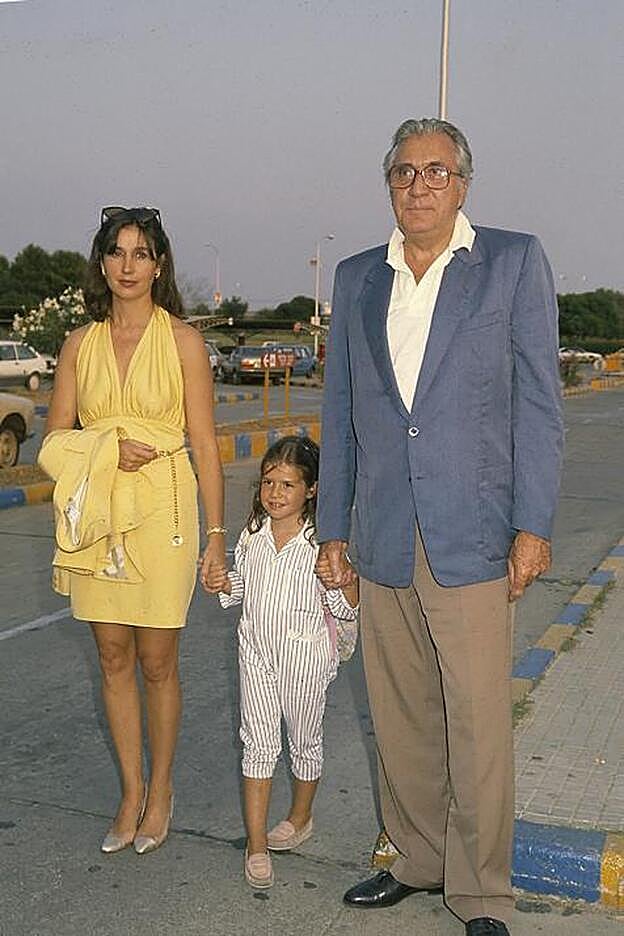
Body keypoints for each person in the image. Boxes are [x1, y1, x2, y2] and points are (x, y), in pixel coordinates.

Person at [315, 119, 564, 936]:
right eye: (404, 171)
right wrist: (333, 529)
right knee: (402, 712)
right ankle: (416, 861)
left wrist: (531, 526)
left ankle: (482, 891)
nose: (419, 184)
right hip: (384, 529)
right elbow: (345, 411)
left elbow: (538, 404)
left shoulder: (512, 261)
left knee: (478, 721)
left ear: (463, 185)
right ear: (388, 182)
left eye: (436, 171)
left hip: (475, 531)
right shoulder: (356, 277)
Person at [38, 206, 226, 855]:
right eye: (116, 252)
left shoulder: (183, 343)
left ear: (159, 264)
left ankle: (163, 789)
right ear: (101, 261)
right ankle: (130, 789)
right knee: (112, 655)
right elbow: (53, 439)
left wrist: (218, 537)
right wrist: (103, 452)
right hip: (98, 516)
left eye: (140, 253)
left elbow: (203, 441)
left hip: (164, 516)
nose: (127, 265)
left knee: (155, 661)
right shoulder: (76, 345)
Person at [212, 436, 358, 889]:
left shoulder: (323, 544)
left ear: (311, 490)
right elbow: (242, 591)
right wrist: (220, 581)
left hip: (306, 657)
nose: (275, 493)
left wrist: (345, 581)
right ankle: (256, 845)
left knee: (303, 742)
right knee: (256, 744)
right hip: (255, 653)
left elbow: (348, 609)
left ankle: (300, 816)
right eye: (268, 482)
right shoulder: (252, 535)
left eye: (288, 484)